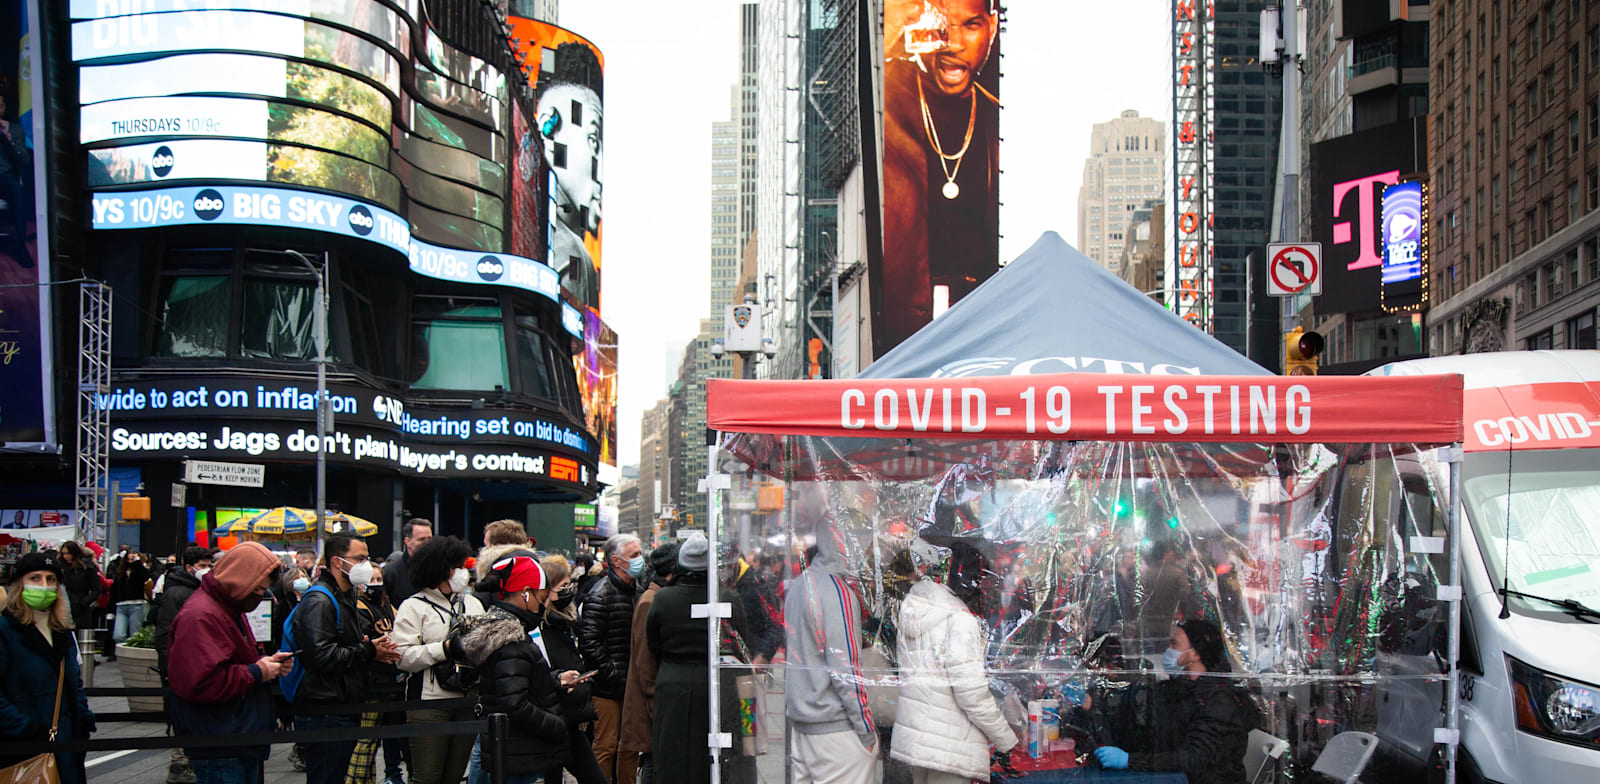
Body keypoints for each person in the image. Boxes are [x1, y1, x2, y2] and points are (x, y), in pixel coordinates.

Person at [878, 0, 1001, 349]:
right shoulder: (888, 96)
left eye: (971, 26)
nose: (954, 43)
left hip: (977, 334)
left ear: (991, 28)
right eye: (943, 27)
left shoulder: (994, 116)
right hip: (899, 340)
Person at [888, 539, 1017, 784]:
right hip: (950, 746)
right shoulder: (959, 620)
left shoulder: (915, 610)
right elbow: (971, 694)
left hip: (920, 743)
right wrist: (1005, 738)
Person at [455, 555, 591, 784]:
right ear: (525, 593)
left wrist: (555, 680)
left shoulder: (507, 631)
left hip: (512, 748)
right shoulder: (510, 639)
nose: (544, 604)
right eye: (542, 597)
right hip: (514, 750)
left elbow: (516, 679)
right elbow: (514, 701)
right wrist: (555, 725)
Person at [168, 542, 289, 784]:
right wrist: (258, 671)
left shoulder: (226, 607)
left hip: (234, 734)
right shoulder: (202, 615)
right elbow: (202, 682)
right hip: (221, 738)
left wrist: (263, 663)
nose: (260, 595)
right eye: (257, 588)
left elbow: (232, 658)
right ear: (240, 580)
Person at [291, 534, 401, 784]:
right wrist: (368, 650)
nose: (365, 565)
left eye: (367, 558)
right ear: (337, 562)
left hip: (342, 702)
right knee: (326, 775)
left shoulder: (346, 595)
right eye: (360, 559)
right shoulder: (319, 600)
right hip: (325, 709)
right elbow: (322, 656)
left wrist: (369, 648)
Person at [1092, 620, 1257, 784]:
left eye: (1174, 645)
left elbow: (1193, 759)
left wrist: (1130, 761)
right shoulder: (1179, 690)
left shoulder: (1218, 701)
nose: (1168, 651)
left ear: (1195, 654)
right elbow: (1153, 736)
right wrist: (1092, 706)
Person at [645, 535, 750, 784]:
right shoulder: (727, 598)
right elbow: (742, 644)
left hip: (673, 683)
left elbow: (653, 644)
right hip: (716, 684)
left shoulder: (662, 599)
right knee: (714, 755)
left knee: (674, 754)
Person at [786, 526, 878, 784]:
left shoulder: (800, 585)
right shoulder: (839, 592)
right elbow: (846, 670)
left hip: (804, 724)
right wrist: (867, 731)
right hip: (836, 731)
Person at [393, 536, 484, 784]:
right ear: (438, 569)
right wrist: (443, 649)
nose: (463, 573)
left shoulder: (472, 603)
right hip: (429, 704)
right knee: (427, 776)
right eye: (456, 567)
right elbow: (401, 656)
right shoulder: (413, 607)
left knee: (454, 776)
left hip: (467, 699)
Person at [0, 552, 95, 784]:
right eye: (35, 578)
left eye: (50, 579)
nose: (44, 586)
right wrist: (26, 729)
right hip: (23, 748)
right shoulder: (5, 629)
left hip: (67, 743)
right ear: (18, 585)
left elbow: (75, 682)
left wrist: (83, 718)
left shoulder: (61, 629)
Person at [578, 533, 643, 784]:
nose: (640, 560)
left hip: (631, 686)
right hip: (607, 689)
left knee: (629, 747)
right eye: (634, 555)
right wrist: (613, 674)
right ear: (617, 561)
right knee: (605, 746)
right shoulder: (600, 594)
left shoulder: (637, 591)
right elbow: (589, 643)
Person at [536, 554, 604, 784]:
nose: (569, 591)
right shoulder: (540, 629)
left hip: (570, 715)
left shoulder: (567, 623)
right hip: (554, 717)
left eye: (569, 585)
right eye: (563, 586)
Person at [152, 546, 216, 784]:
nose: (207, 571)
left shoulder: (202, 590)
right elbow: (165, 634)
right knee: (182, 716)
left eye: (209, 566)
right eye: (202, 566)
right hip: (181, 668)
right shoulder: (176, 593)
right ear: (189, 568)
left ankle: (190, 761)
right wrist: (168, 669)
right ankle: (179, 764)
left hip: (197, 665)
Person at [620, 543, 678, 784]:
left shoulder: (655, 596)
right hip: (648, 704)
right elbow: (646, 661)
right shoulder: (650, 601)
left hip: (651, 700)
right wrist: (655, 699)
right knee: (652, 761)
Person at [348, 567, 406, 784]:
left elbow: (400, 631)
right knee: (366, 741)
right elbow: (371, 642)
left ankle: (391, 774)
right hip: (373, 682)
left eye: (379, 579)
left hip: (392, 680)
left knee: (393, 736)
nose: (375, 583)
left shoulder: (386, 605)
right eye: (371, 579)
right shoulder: (358, 607)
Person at [384, 518, 433, 606]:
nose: (427, 543)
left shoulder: (439, 569)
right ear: (408, 541)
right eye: (421, 539)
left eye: (429, 539)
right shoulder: (390, 573)